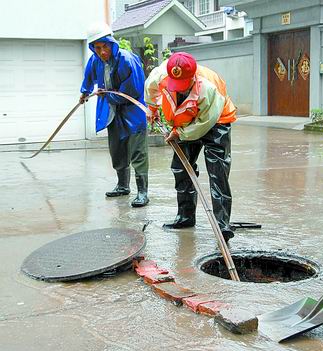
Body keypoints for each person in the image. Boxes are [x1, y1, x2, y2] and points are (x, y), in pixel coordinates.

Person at [144, 52, 236, 242]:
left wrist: (179, 134)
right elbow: (151, 91)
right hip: (186, 121)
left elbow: (205, 122)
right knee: (181, 168)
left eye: (183, 85)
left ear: (193, 77)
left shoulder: (209, 88)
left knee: (217, 172)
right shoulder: (159, 75)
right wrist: (152, 109)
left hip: (216, 121)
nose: (179, 89)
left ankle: (222, 225)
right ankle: (185, 216)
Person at [79, 22, 149, 207]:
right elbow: (89, 76)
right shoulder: (95, 61)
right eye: (98, 48)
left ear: (111, 43)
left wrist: (107, 94)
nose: (102, 52)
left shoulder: (127, 60)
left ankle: (143, 192)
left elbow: (132, 90)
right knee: (117, 149)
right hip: (112, 112)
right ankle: (122, 185)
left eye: (105, 47)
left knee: (137, 151)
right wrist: (85, 92)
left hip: (132, 112)